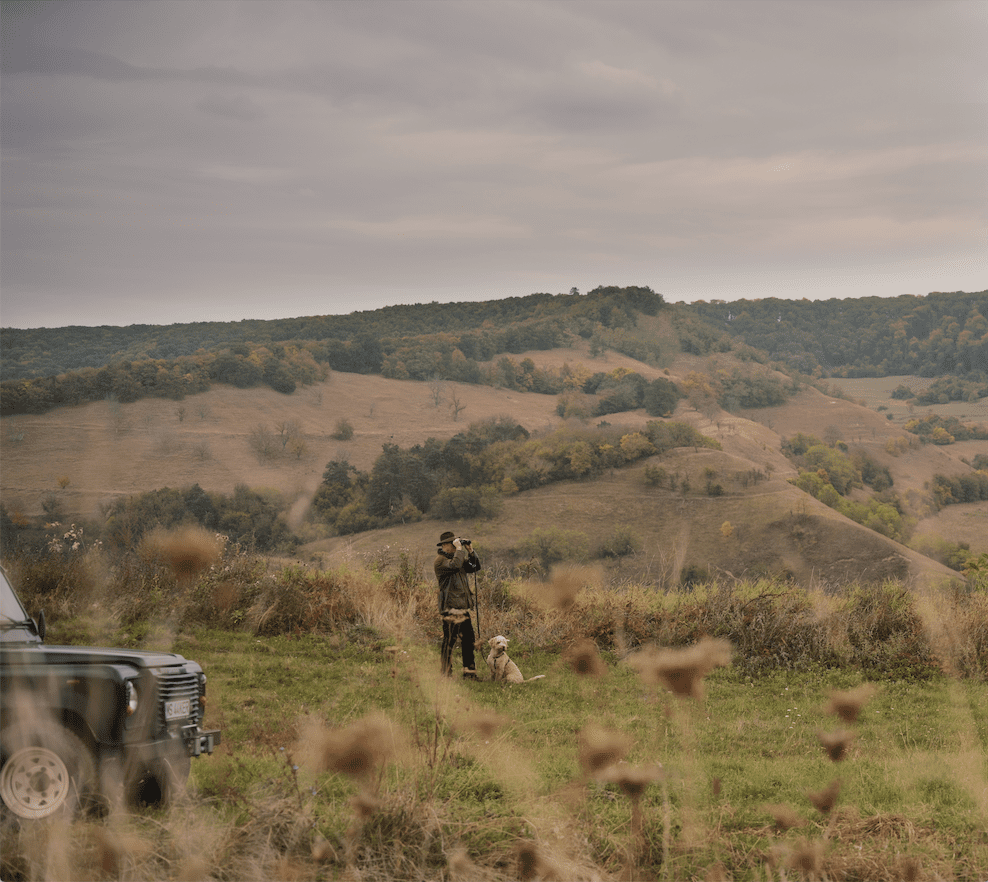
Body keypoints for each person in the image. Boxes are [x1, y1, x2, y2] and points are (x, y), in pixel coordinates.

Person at [434, 530, 482, 679]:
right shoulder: (441, 561)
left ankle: (469, 674)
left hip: (462, 607)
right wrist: (460, 551)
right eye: (452, 543)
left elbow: (474, 567)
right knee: (450, 641)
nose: (455, 546)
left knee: (469, 641)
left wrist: (471, 551)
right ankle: (445, 673)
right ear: (445, 545)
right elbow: (455, 565)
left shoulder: (457, 558)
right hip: (450, 607)